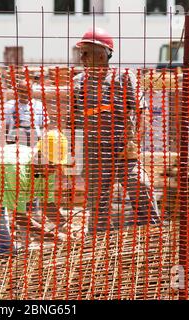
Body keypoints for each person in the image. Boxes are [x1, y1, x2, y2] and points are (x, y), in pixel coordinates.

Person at [68, 27, 160, 233]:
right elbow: (72, 120)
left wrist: (134, 142)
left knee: (140, 186)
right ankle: (98, 246)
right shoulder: (79, 82)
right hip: (95, 152)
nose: (81, 58)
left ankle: (154, 235)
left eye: (85, 53)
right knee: (98, 204)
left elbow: (142, 112)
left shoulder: (124, 78)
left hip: (122, 148)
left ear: (101, 55)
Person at [0, 130, 69, 256]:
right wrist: (53, 236)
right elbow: (20, 218)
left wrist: (66, 225)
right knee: (3, 248)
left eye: (57, 166)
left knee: (4, 245)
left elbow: (47, 204)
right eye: (51, 165)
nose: (54, 169)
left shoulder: (48, 169)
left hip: (2, 186)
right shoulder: (16, 170)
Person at [0, 78, 47, 148]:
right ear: (17, 91)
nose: (24, 94)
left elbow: (44, 126)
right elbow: (4, 127)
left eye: (27, 91)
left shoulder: (39, 105)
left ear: (31, 91)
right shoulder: (8, 106)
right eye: (21, 91)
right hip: (14, 145)